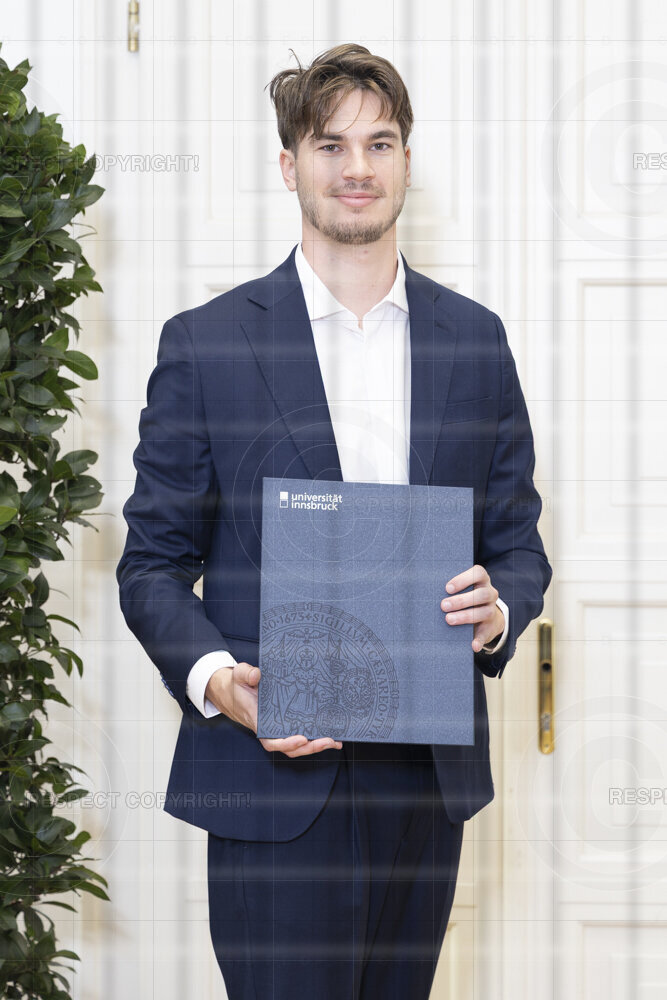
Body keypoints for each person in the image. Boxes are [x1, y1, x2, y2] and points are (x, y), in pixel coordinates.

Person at [117, 42, 552, 1000]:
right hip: (269, 774)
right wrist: (220, 683)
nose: (357, 167)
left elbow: (518, 544)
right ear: (290, 165)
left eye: (379, 143)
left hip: (422, 780)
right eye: (330, 145)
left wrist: (498, 610)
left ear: (406, 162)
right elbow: (149, 564)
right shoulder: (206, 345)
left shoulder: (474, 341)